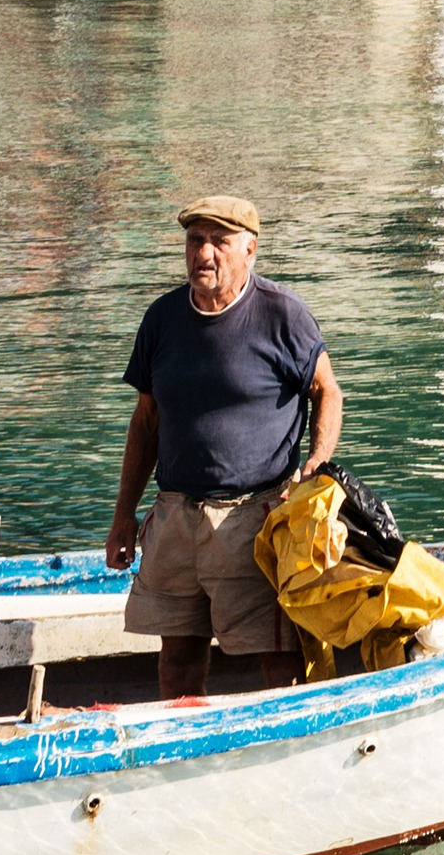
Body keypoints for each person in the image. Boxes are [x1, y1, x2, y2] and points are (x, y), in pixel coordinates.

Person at [107, 195, 339, 698]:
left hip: (254, 518)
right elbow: (146, 422)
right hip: (174, 519)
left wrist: (316, 465)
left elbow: (327, 392)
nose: (204, 254)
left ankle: (284, 755)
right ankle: (184, 758)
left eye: (219, 242)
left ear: (250, 250)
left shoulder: (283, 314)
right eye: (195, 241)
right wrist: (124, 514)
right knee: (177, 661)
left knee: (278, 660)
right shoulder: (162, 319)